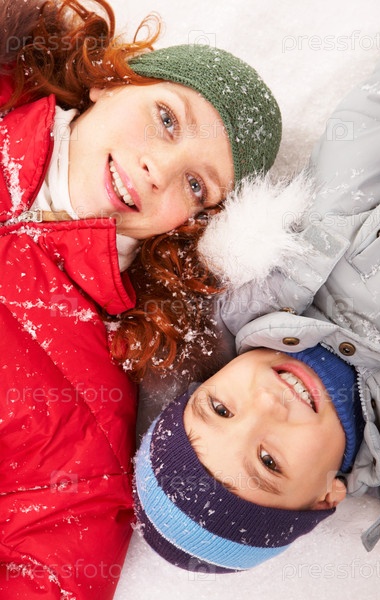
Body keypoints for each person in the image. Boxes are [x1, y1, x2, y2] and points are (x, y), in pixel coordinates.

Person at [0, 0, 282, 597]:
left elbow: (56, 572)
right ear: (110, 83)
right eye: (167, 118)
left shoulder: (92, 392)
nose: (161, 169)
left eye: (197, 184)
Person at [133, 45, 380, 573]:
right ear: (326, 497)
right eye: (269, 461)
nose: (266, 404)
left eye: (220, 409)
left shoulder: (291, 256)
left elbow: (377, 118)